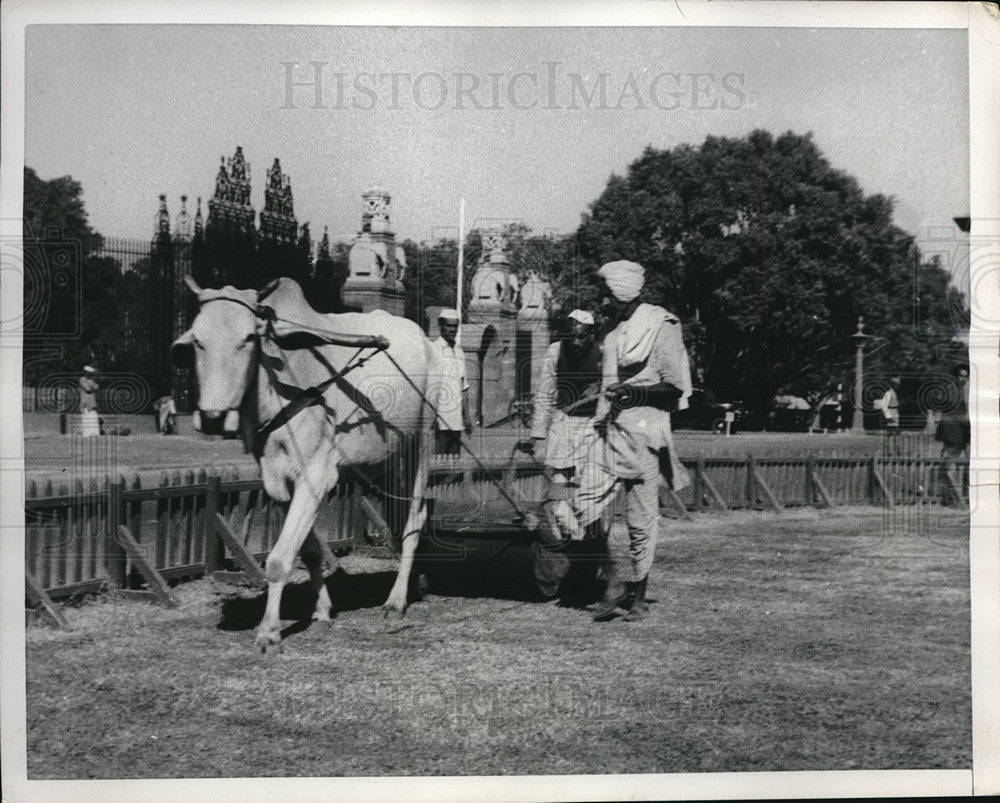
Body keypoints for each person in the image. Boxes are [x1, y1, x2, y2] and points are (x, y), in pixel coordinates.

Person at [574, 260, 692, 622]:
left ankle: (637, 597)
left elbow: (675, 387)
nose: (602, 303)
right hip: (608, 432)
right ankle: (612, 580)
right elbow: (609, 387)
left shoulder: (662, 326)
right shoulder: (613, 335)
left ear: (623, 294)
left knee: (642, 520)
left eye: (606, 295)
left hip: (645, 436)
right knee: (581, 504)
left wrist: (632, 394)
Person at [522, 309, 603, 539]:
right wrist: (538, 433)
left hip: (592, 430)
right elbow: (545, 393)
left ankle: (588, 541)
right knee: (558, 498)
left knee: (585, 498)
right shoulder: (555, 351)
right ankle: (577, 541)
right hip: (563, 429)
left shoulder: (603, 355)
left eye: (582, 336)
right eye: (572, 337)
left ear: (592, 334)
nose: (576, 342)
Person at [429, 308, 472, 455]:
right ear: (440, 326)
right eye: (448, 325)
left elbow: (464, 386)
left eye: (455, 326)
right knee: (438, 460)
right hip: (439, 419)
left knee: (453, 461)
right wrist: (431, 415)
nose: (452, 329)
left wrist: (467, 416)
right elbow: (429, 386)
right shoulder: (433, 349)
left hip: (456, 419)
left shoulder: (459, 351)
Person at [935, 363, 970, 505]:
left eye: (965, 377)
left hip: (957, 432)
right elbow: (956, 414)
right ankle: (948, 497)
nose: (963, 379)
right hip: (953, 432)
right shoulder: (953, 391)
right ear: (955, 376)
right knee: (949, 464)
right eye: (961, 376)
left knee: (954, 464)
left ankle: (952, 496)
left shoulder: (957, 390)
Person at [78, 365, 100, 437]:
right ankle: (87, 433)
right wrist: (92, 384)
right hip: (85, 401)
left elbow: (97, 387)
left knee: (93, 416)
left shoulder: (90, 380)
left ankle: (94, 433)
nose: (89, 374)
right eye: (88, 373)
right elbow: (88, 388)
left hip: (91, 400)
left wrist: (92, 384)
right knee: (86, 417)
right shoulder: (82, 379)